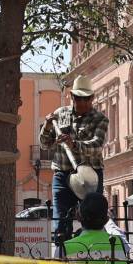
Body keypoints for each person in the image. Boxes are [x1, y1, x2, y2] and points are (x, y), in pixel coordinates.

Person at [39, 76, 109, 243]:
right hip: (62, 174)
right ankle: (61, 257)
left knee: (93, 219)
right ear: (72, 96)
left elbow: (97, 145)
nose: (83, 103)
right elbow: (44, 144)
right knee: (61, 222)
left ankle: (95, 255)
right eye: (79, 98)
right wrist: (47, 126)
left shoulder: (100, 119)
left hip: (90, 176)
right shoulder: (59, 114)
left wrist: (74, 144)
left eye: (87, 99)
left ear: (92, 98)